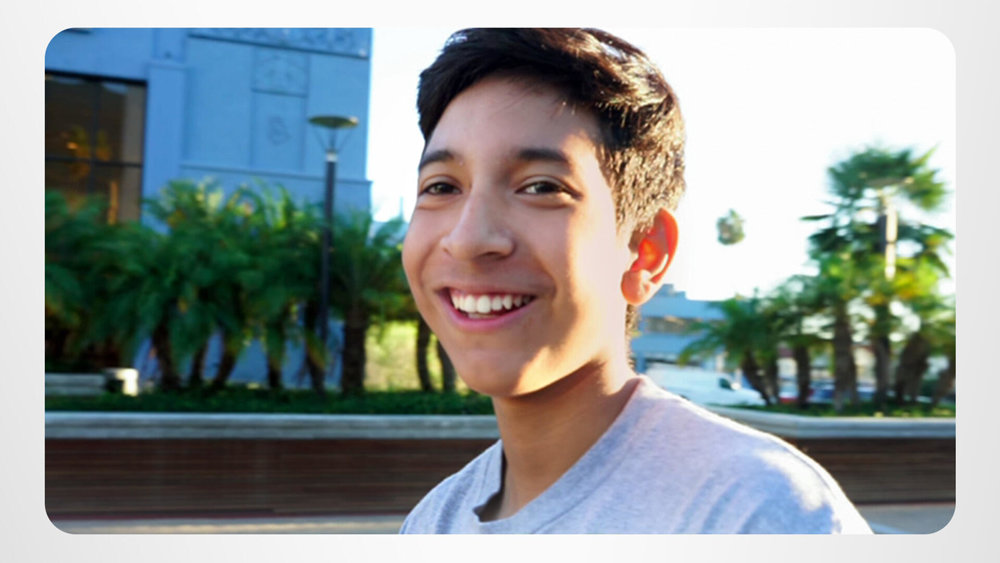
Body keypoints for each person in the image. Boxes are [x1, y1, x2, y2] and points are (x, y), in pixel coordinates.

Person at [399, 28, 871, 534]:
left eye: (541, 187)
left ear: (646, 252)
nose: (468, 239)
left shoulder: (755, 512)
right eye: (441, 187)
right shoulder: (434, 521)